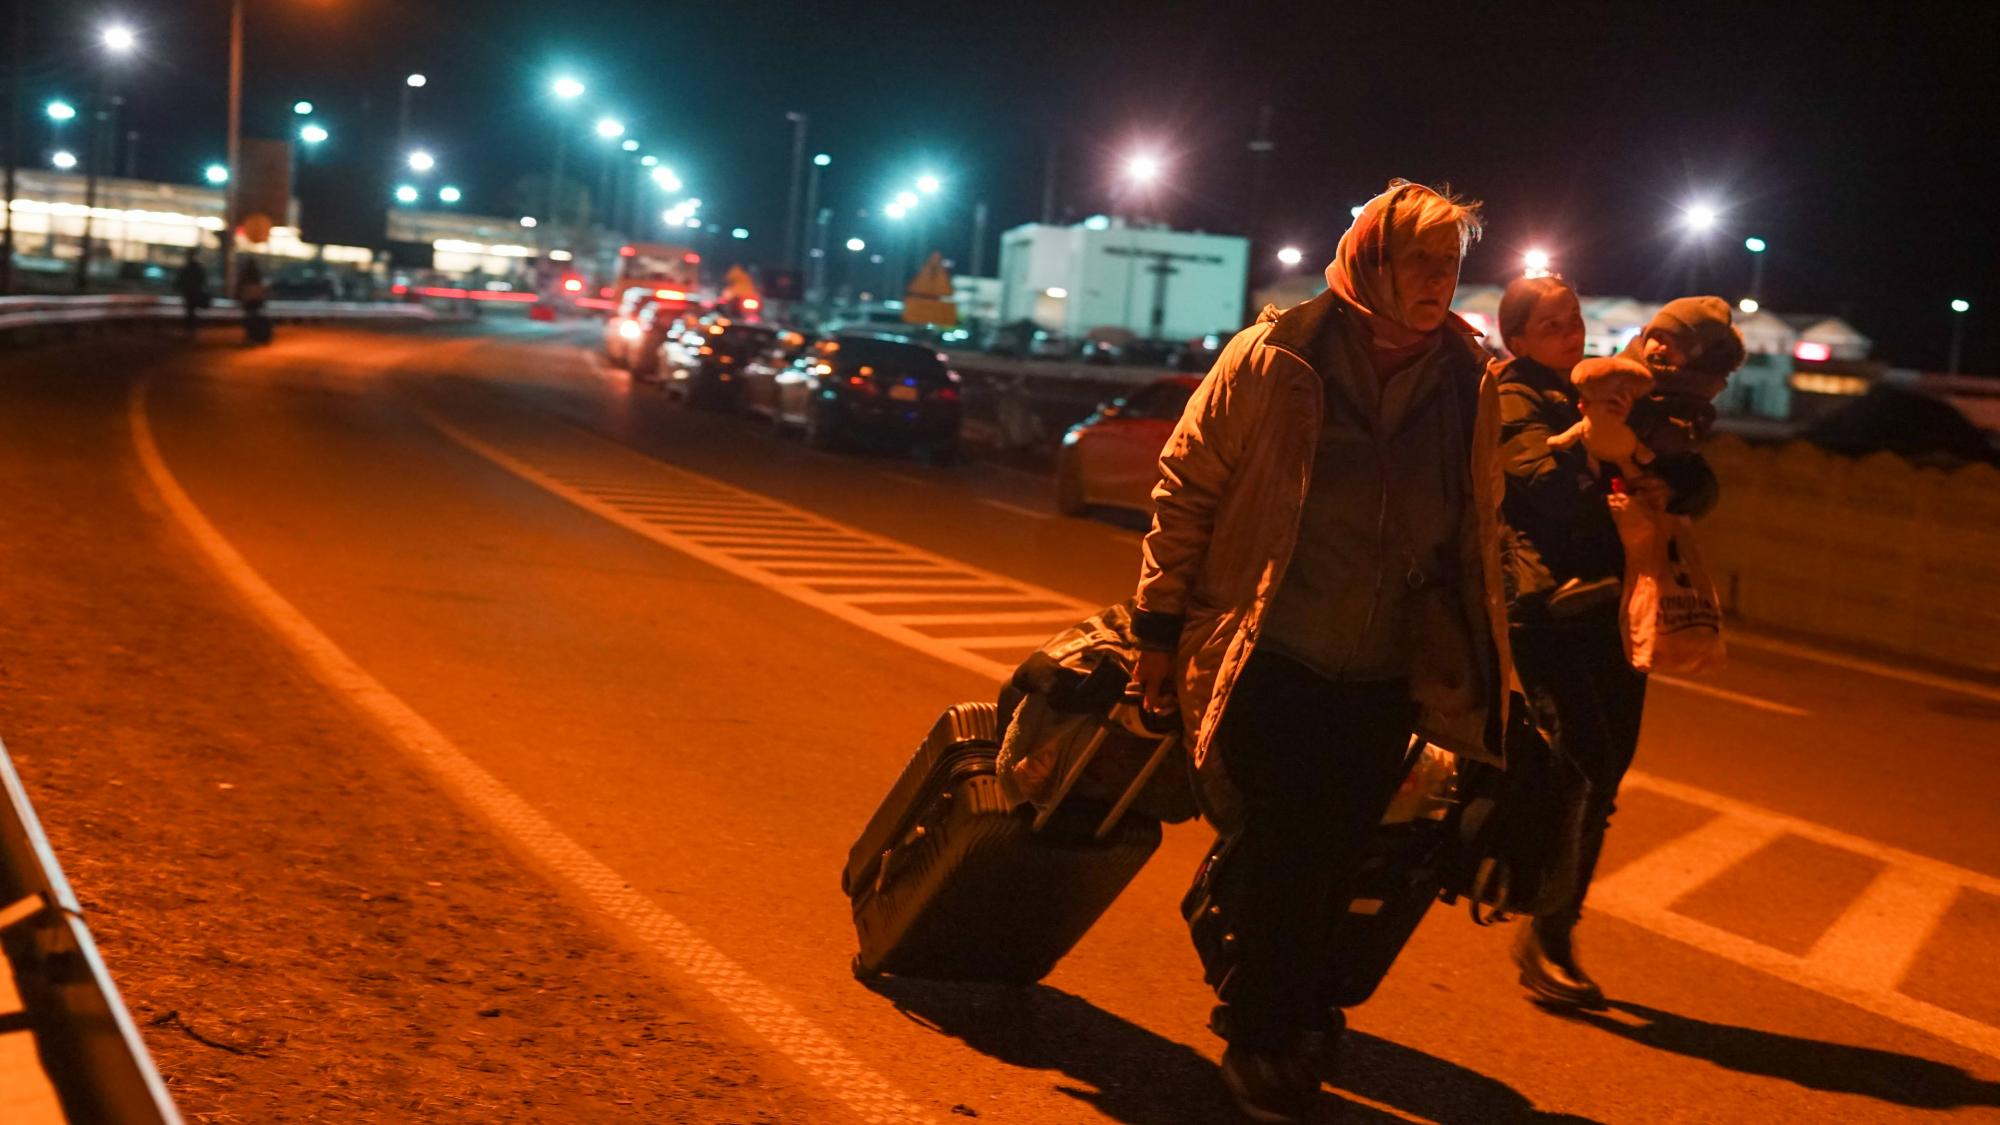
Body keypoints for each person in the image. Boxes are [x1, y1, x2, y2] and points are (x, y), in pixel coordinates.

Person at [1130, 180, 1512, 1123]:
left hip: (1386, 667)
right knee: (1285, 843)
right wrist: (1156, 625)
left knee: (1341, 853)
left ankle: (1287, 1000)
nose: (1439, 280)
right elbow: (1189, 486)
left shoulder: (1469, 378)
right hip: (1272, 646)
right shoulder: (1277, 357)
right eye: (1420, 260)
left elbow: (1481, 524)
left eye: (1452, 264)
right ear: (1372, 262)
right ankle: (1261, 1035)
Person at [1493, 278, 1729, 1010]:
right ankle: (1539, 915)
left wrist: (1656, 470)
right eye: (1549, 324)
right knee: (1582, 758)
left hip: (1622, 605)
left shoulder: (1612, 386)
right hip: (1547, 606)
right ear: (1519, 339)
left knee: (1607, 772)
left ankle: (1551, 928)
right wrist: (1606, 463)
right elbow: (1538, 483)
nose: (1569, 331)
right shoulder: (1517, 396)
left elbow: (1701, 483)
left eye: (1574, 318)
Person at [175, 249, 210, 339]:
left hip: (188, 291)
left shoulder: (186, 267)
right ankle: (192, 329)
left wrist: (178, 286)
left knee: (189, 310)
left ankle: (190, 329)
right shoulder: (198, 268)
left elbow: (181, 279)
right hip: (195, 291)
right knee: (191, 311)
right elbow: (203, 280)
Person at [237, 258, 270, 345]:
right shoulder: (257, 275)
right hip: (256, 297)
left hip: (248, 297)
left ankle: (250, 336)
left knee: (249, 317)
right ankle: (255, 335)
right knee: (255, 316)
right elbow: (261, 286)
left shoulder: (245, 274)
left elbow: (240, 286)